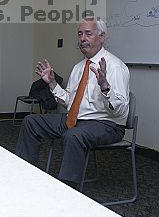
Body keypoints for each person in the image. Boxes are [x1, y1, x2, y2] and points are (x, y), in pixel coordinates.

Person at [15, 17, 130, 187]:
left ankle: (68, 191)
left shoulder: (115, 67)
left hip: (106, 124)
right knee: (31, 121)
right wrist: (52, 84)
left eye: (88, 34)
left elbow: (120, 112)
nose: (82, 38)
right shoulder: (78, 67)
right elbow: (69, 103)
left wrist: (105, 87)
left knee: (73, 135)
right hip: (77, 120)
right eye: (80, 34)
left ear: (102, 36)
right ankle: (22, 173)